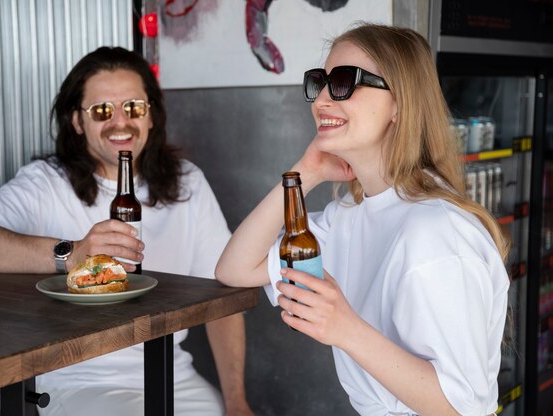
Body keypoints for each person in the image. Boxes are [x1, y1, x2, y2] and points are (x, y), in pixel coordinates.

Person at [0, 46, 253, 416]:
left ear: (151, 116)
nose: (121, 122)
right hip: (79, 381)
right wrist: (70, 254)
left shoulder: (188, 182)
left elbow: (223, 300)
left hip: (172, 374)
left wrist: (236, 402)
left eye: (133, 107)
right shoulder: (46, 183)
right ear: (77, 122)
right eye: (102, 111)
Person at [216, 23, 509, 416]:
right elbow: (235, 269)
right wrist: (306, 172)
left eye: (344, 81)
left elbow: (465, 408)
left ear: (400, 103)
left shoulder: (438, 234)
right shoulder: (349, 219)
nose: (321, 98)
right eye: (319, 82)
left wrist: (344, 328)